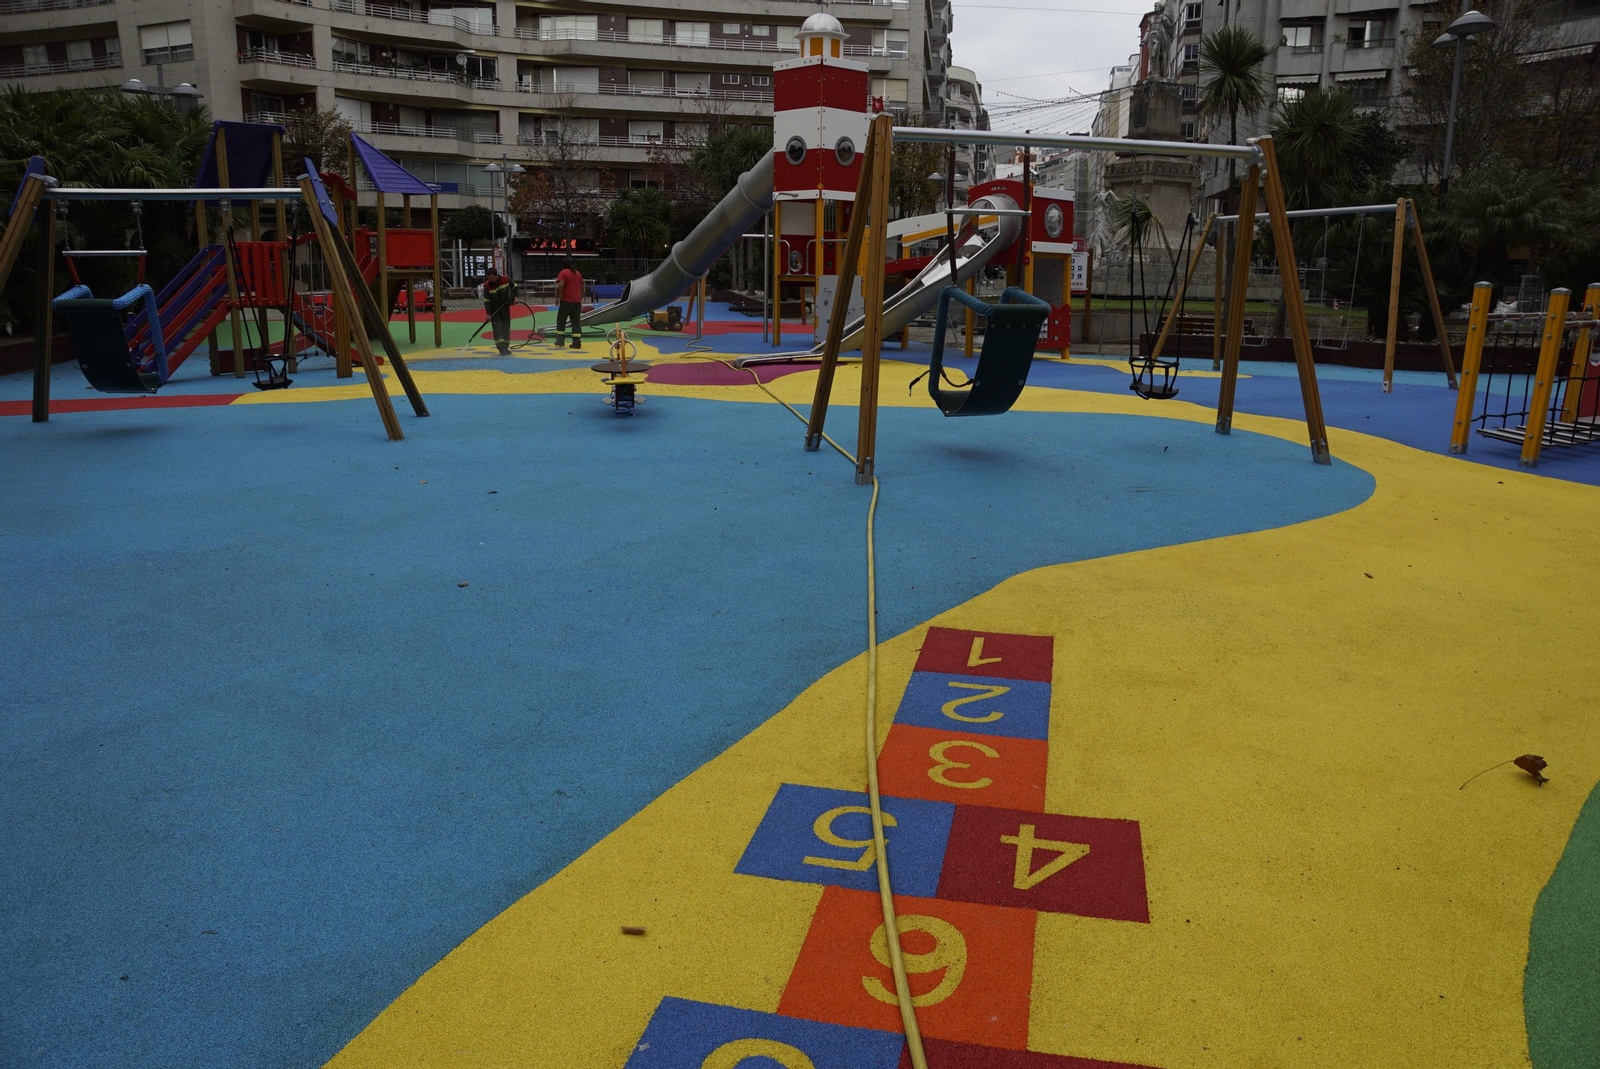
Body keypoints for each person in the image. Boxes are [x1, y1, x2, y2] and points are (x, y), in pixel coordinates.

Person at [476, 268, 515, 355]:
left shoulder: (505, 279)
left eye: (492, 278)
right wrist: (488, 314)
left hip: (505, 308)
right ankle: (501, 348)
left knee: (506, 327)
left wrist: (516, 297)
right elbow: (487, 301)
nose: (491, 280)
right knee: (497, 328)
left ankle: (506, 346)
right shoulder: (487, 286)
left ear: (496, 275)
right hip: (495, 310)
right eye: (489, 278)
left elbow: (515, 286)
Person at [555, 259, 584, 350]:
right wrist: (580, 298)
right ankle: (576, 342)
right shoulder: (578, 273)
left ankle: (560, 340)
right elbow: (581, 287)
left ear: (563, 265)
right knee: (576, 323)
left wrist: (557, 297)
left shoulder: (563, 273)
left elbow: (561, 285)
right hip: (577, 302)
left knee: (561, 320)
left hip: (566, 301)